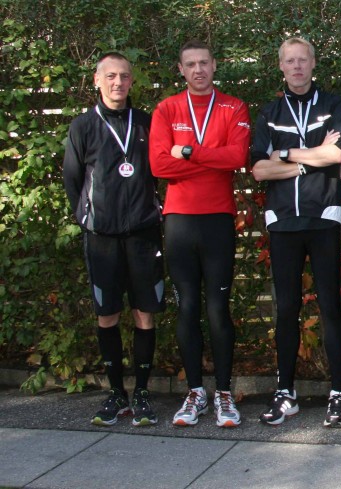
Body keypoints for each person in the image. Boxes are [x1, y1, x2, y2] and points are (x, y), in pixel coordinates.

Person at [250, 37, 341, 427]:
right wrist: (310, 160)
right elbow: (259, 169)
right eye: (289, 61)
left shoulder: (333, 105)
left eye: (302, 60)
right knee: (287, 309)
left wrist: (285, 153)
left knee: (330, 306)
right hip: (284, 221)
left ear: (313, 63)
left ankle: (338, 394)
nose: (296, 67)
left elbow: (338, 154)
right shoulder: (270, 112)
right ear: (281, 66)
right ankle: (285, 393)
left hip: (324, 218)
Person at [150, 40, 250, 428]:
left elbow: (237, 157)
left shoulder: (233, 106)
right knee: (188, 307)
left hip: (218, 220)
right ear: (180, 69)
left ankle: (224, 392)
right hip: (179, 221)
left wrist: (189, 153)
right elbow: (159, 165)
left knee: (217, 310)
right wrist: (211, 158)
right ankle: (195, 391)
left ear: (214, 65)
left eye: (204, 63)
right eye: (190, 64)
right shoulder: (167, 108)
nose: (198, 70)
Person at [63, 52, 165, 427]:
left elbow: (160, 172)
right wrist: (90, 218)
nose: (117, 82)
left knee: (144, 313)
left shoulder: (147, 123)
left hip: (142, 234)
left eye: (124, 76)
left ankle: (140, 393)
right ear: (96, 80)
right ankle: (114, 394)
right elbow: (73, 182)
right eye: (110, 76)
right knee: (107, 314)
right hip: (102, 237)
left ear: (131, 82)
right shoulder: (83, 126)